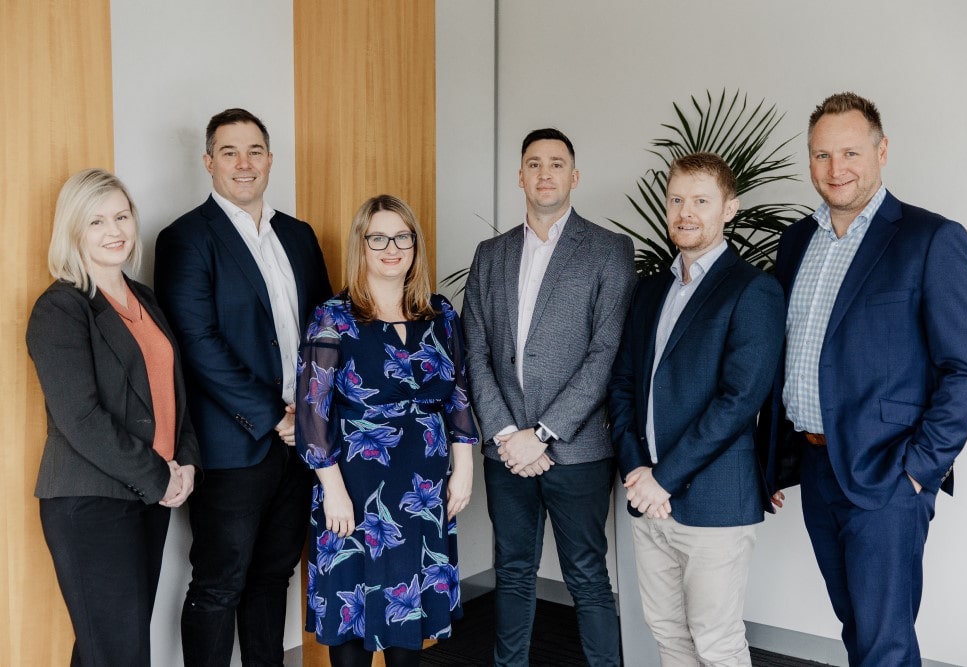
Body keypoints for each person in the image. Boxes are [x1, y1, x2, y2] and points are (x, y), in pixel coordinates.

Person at [760, 92, 967, 666]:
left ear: (881, 151)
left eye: (850, 153)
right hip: (815, 466)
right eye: (821, 155)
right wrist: (771, 458)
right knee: (859, 629)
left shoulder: (929, 239)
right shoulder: (795, 241)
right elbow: (783, 355)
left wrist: (917, 470)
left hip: (888, 474)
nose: (835, 168)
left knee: (883, 641)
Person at [155, 108, 332, 666]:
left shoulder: (299, 235)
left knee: (273, 577)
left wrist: (311, 415)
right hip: (234, 445)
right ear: (208, 162)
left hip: (300, 443)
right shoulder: (186, 238)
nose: (243, 163)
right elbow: (197, 343)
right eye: (229, 152)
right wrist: (275, 415)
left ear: (270, 160)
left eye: (254, 151)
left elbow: (326, 333)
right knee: (218, 584)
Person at [463, 127, 635, 666]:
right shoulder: (490, 254)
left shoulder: (609, 250)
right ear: (520, 176)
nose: (545, 173)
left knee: (587, 576)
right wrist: (506, 433)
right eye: (534, 164)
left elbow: (606, 353)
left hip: (576, 450)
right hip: (506, 451)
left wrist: (541, 434)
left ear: (574, 177)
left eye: (556, 164)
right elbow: (475, 350)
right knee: (512, 572)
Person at [607, 153, 784, 666]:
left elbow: (739, 400)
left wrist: (663, 479)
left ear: (729, 208)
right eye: (676, 200)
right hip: (647, 496)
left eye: (701, 201)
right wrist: (637, 470)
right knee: (667, 633)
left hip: (714, 500)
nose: (686, 212)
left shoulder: (753, 289)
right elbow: (623, 384)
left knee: (716, 641)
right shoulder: (650, 290)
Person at [25, 168, 200, 667]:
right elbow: (80, 417)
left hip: (147, 496)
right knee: (119, 652)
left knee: (108, 650)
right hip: (90, 503)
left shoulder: (144, 299)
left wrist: (186, 460)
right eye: (96, 221)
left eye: (121, 216)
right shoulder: (61, 308)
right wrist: (158, 476)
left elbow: (175, 393)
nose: (114, 231)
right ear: (73, 230)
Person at [295, 194, 479, 667]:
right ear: (361, 245)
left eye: (402, 237)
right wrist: (333, 491)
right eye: (378, 238)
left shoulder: (440, 312)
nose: (391, 248)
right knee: (353, 616)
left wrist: (463, 469)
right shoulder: (333, 316)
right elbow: (313, 414)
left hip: (424, 486)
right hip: (355, 485)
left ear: (416, 245)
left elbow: (459, 392)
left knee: (409, 618)